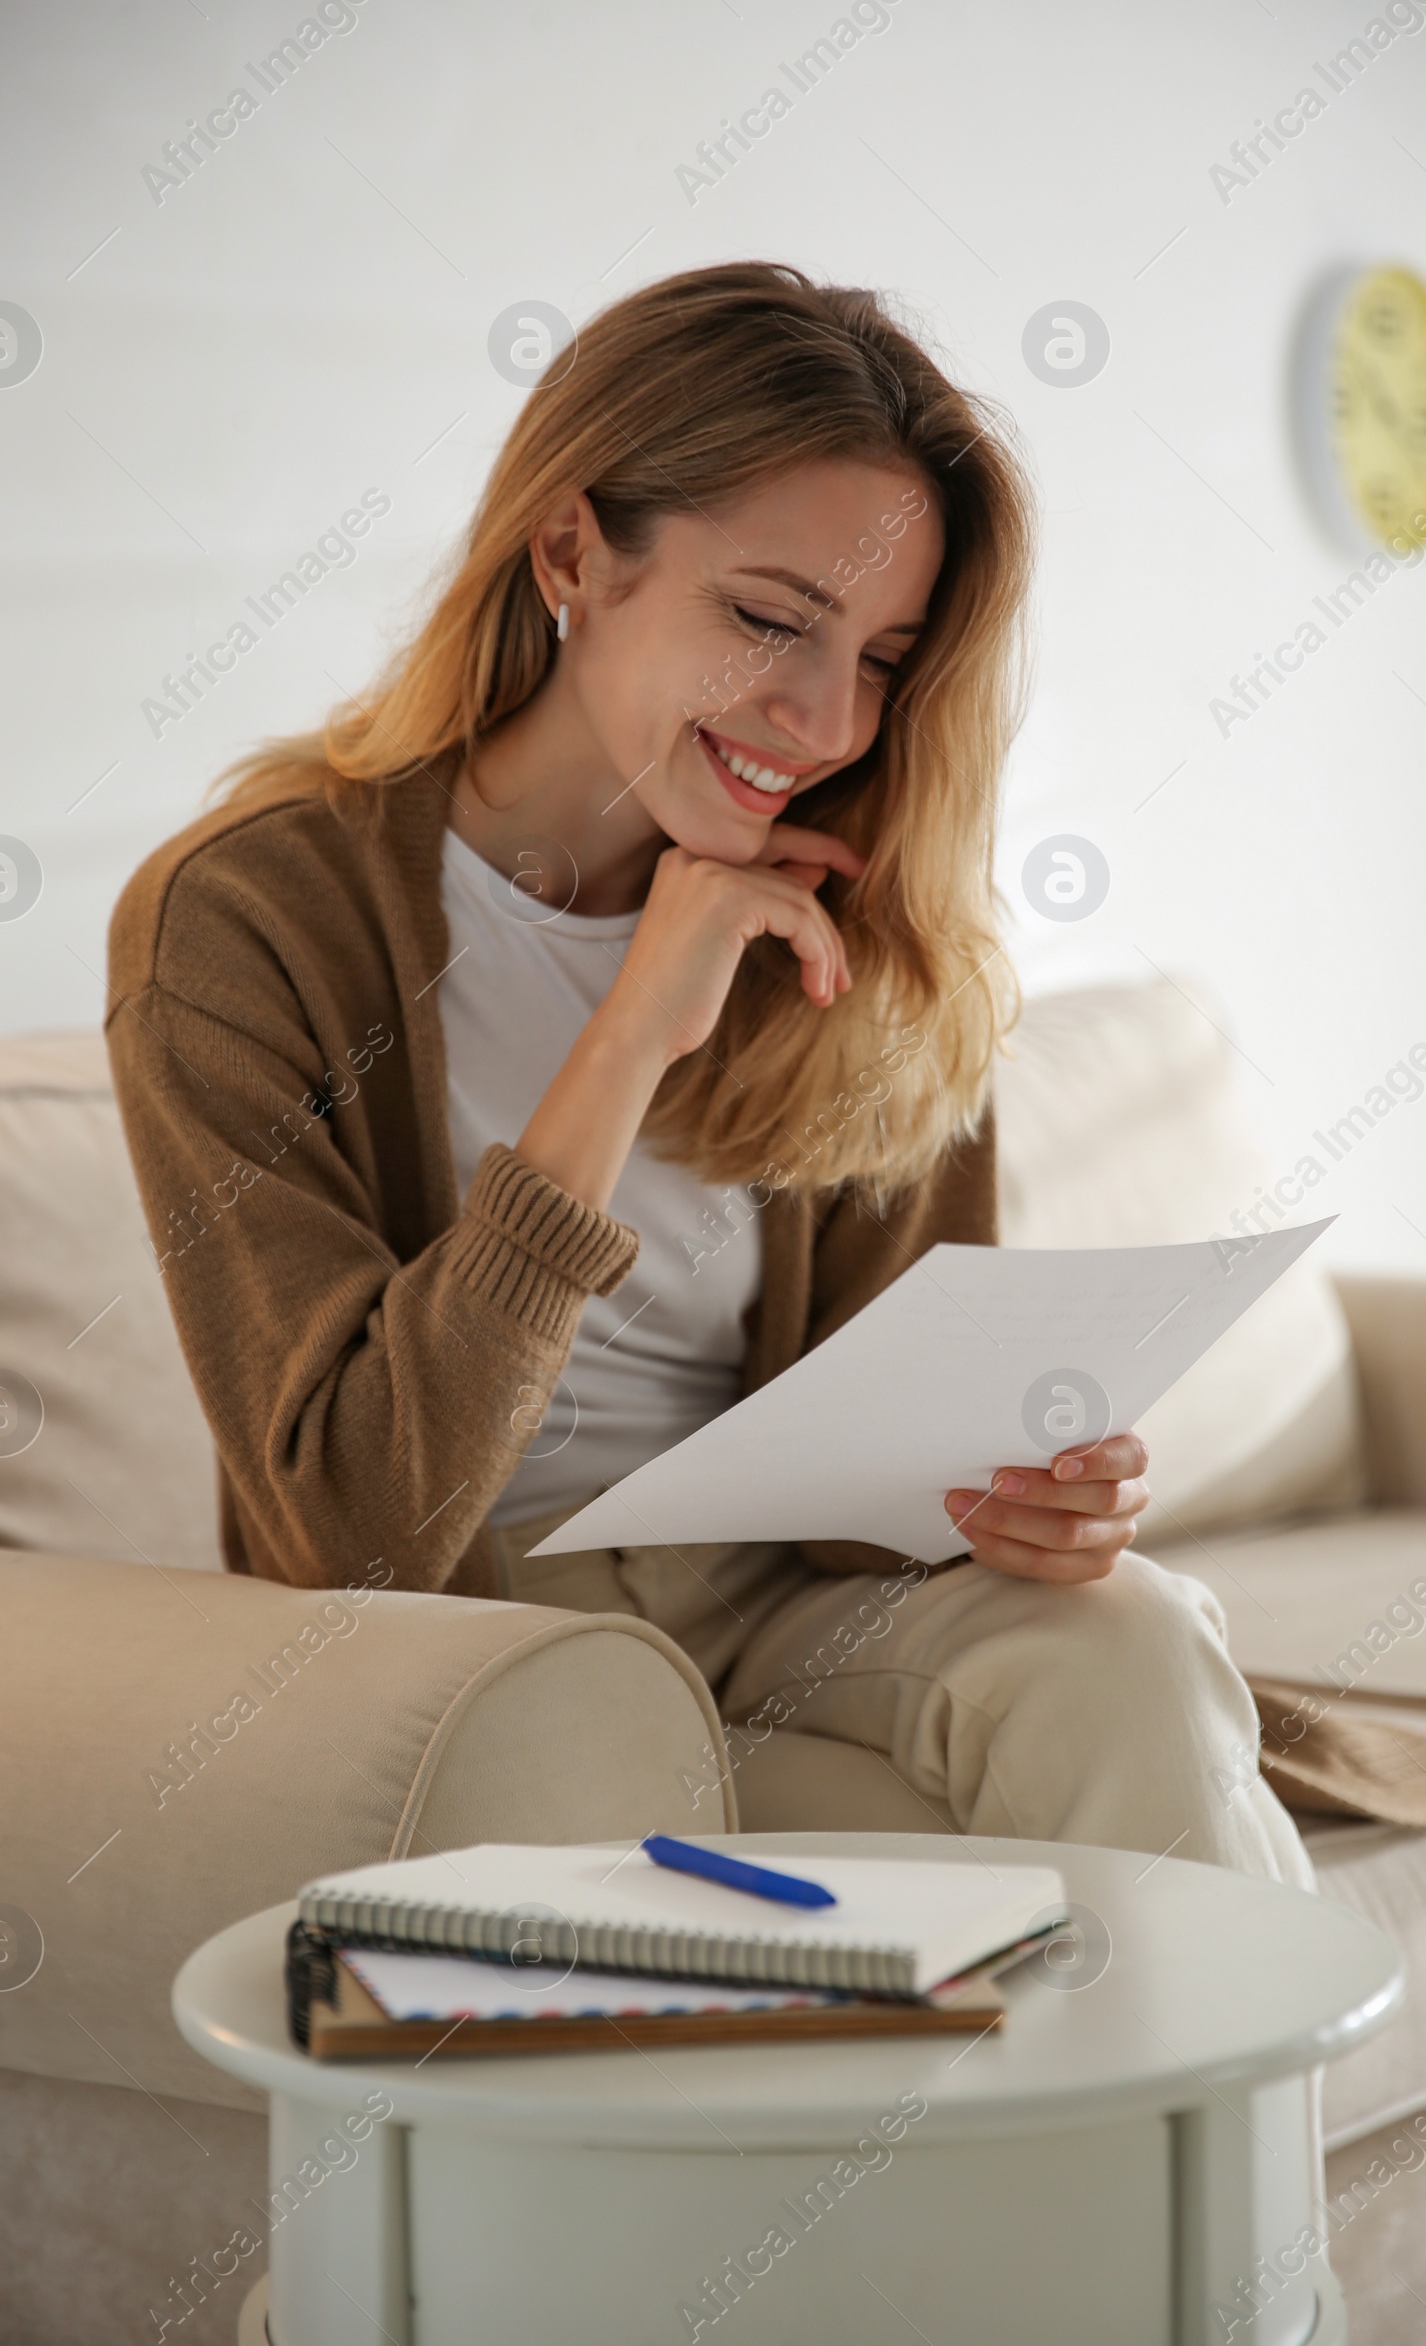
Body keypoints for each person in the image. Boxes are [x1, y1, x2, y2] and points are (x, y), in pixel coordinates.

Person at [106, 260, 1311, 1889]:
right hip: (471, 1649)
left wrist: (1010, 1499)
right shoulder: (246, 921)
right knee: (1047, 1913)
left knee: (1132, 1646)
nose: (825, 722)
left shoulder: (861, 917)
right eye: (767, 620)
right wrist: (626, 1037)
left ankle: (1216, 2133)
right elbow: (355, 1525)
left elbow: (859, 1494)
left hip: (770, 1614)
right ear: (570, 554)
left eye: (885, 659)